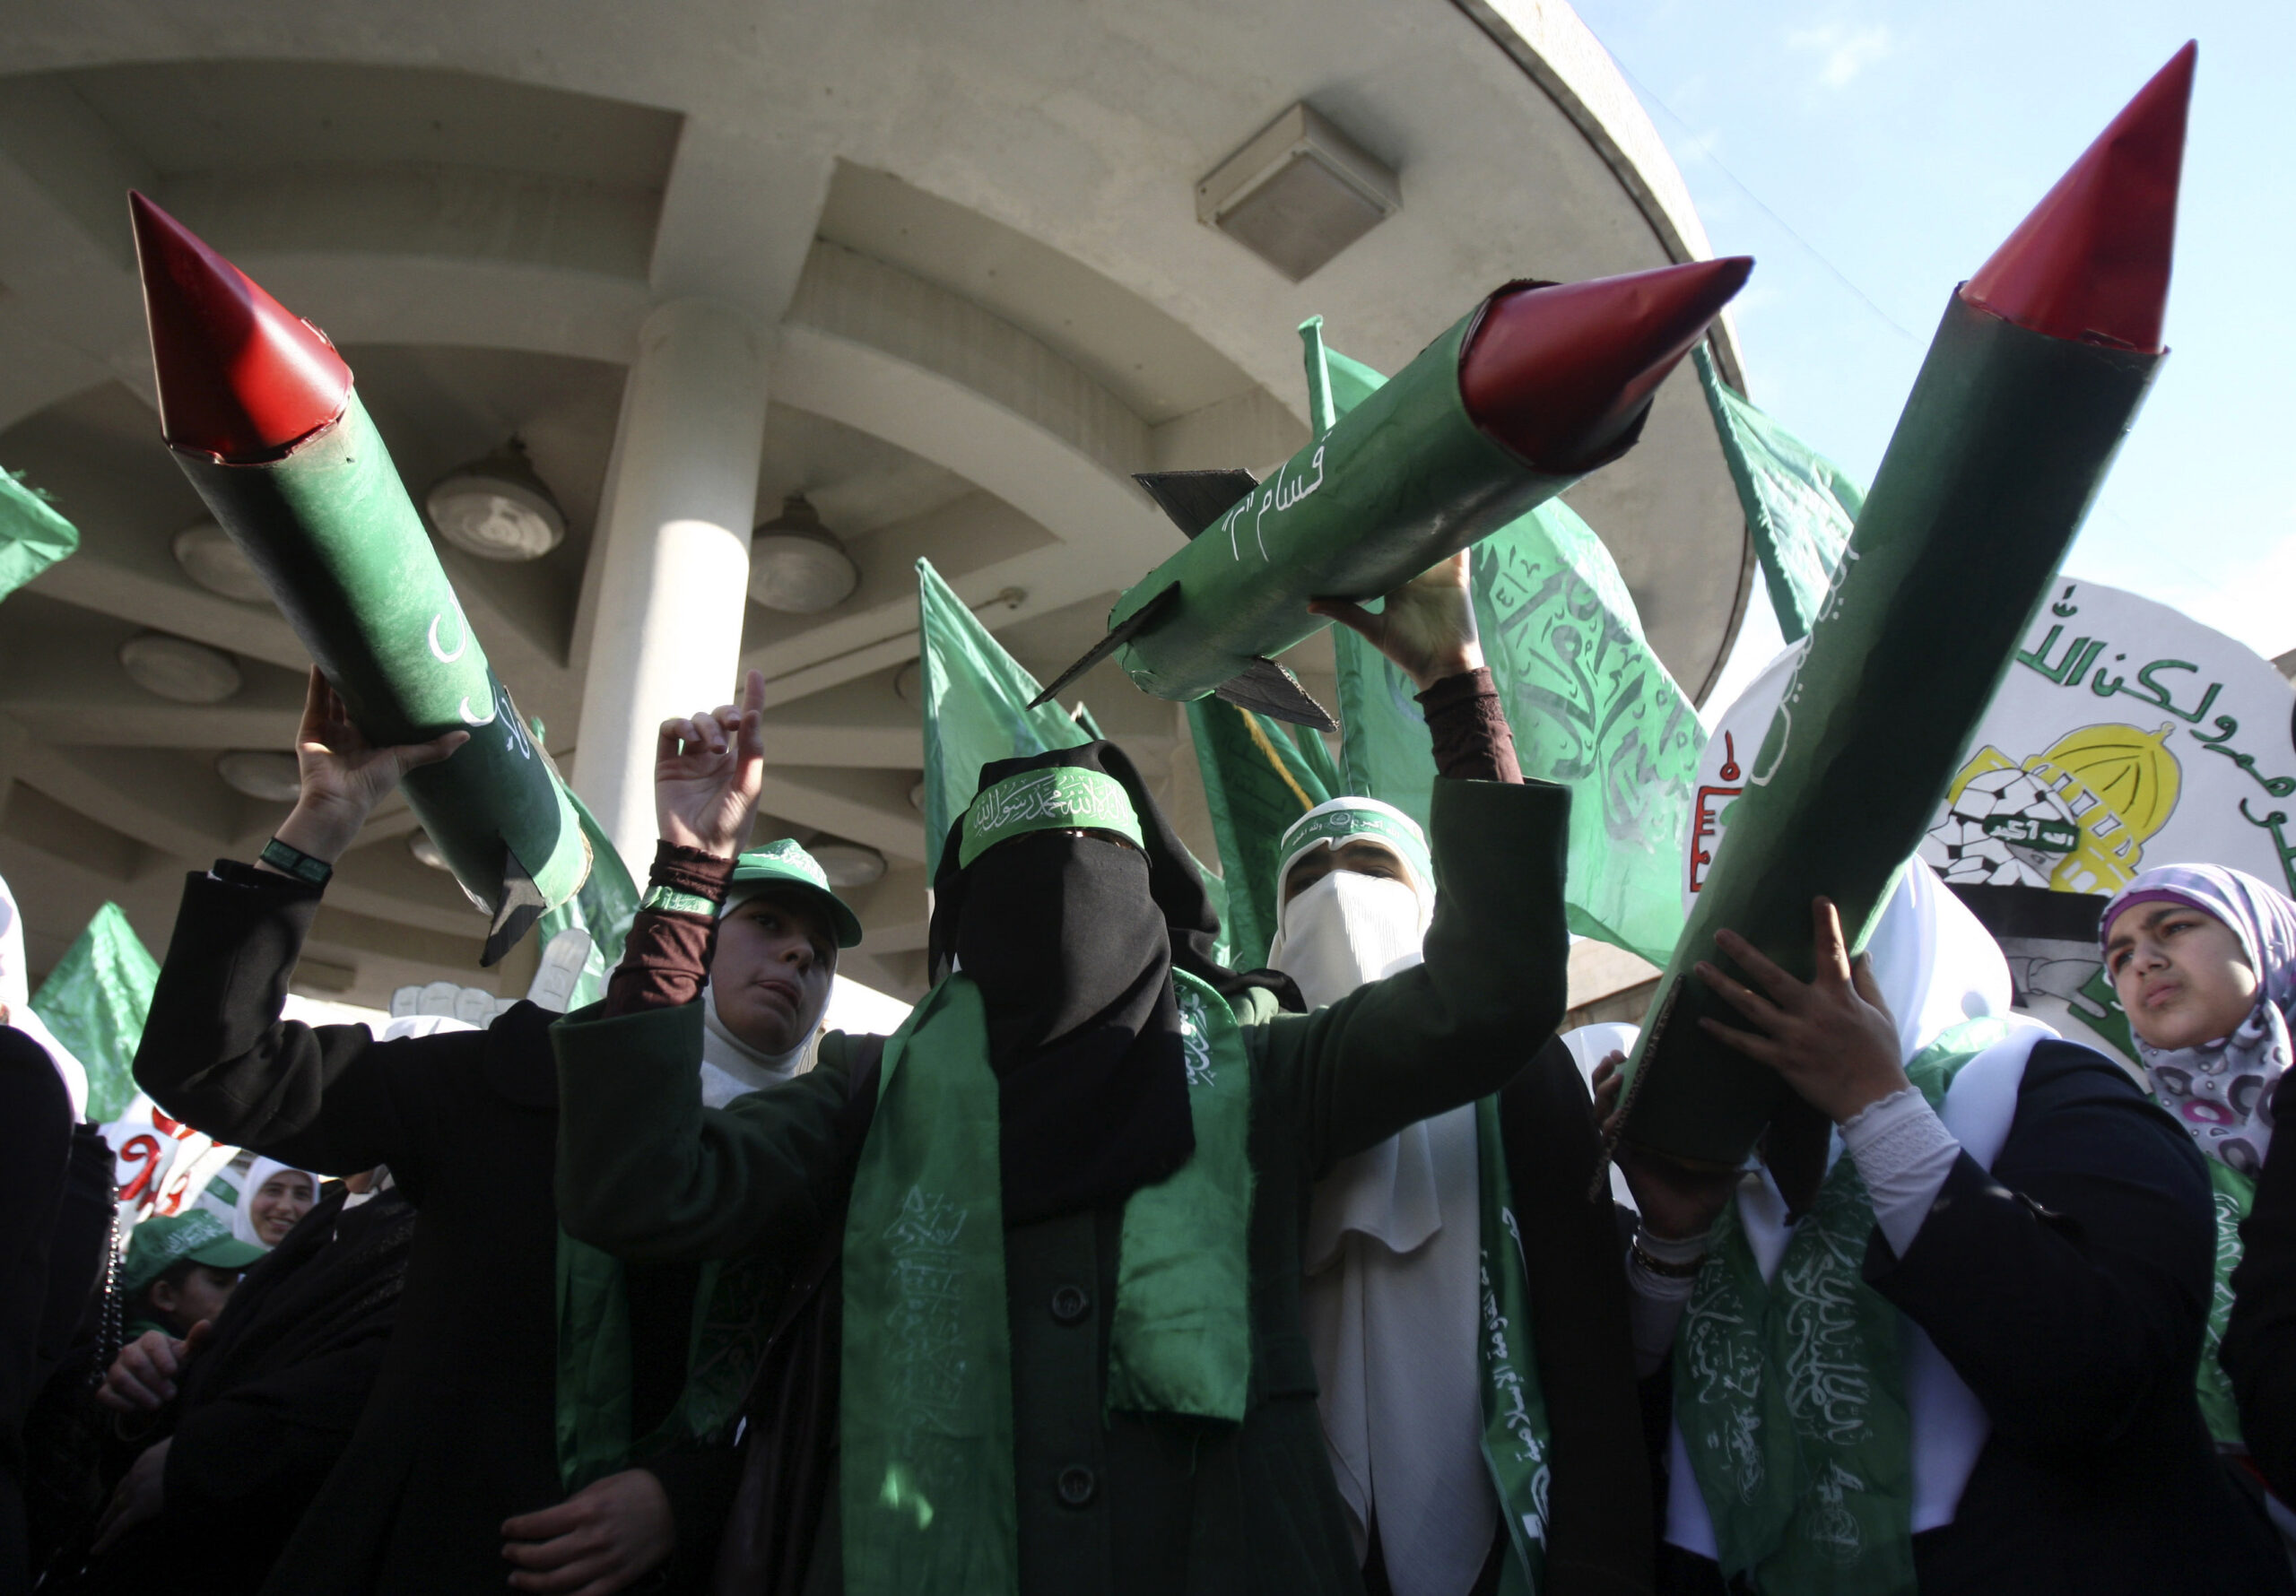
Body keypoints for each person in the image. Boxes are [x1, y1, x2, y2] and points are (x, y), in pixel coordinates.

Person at [550, 550, 1574, 1593]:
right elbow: (637, 1189)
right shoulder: (869, 1096)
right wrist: (689, 873)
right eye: (1024, 894)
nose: (1064, 927)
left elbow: (1490, 1002)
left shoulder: (1258, 1074)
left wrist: (1456, 685)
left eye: (1097, 884)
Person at [129, 666, 859, 1594]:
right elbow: (216, 1066)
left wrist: (689, 1495)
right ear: (691, 929)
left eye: (821, 951)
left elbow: (829, 1401)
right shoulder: (510, 1078)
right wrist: (322, 819)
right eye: (764, 920)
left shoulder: (837, 1150)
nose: (799, 952)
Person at [1598, 867, 2292, 1595]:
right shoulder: (1743, 1179)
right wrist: (1673, 1243)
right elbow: (1624, 1452)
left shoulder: (2054, 1091)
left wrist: (1877, 1108)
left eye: (1796, 966)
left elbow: (2104, 1375)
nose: (1764, 999)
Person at [1265, 796, 1650, 1596]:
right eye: (1308, 879)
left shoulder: (1521, 1073)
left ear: (1428, 905)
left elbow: (1585, 1337)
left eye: (1372, 869)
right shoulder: (1250, 1075)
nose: (1338, 895)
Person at [56, 1170, 417, 1596]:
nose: (287, 1206)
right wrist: (155, 1386)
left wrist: (199, 1457)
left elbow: (346, 1398)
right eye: (273, 1189)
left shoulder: (433, 1239)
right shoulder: (332, 1219)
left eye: (301, 1191)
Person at [115, 1213, 263, 1343]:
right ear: (165, 1296)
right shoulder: (154, 1362)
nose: (237, 1293)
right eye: (220, 1283)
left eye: (238, 1281)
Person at [232, 1158, 317, 1249]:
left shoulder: (325, 1262)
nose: (285, 1207)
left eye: (301, 1194)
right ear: (249, 1196)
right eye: (273, 1191)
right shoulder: (218, 1258)